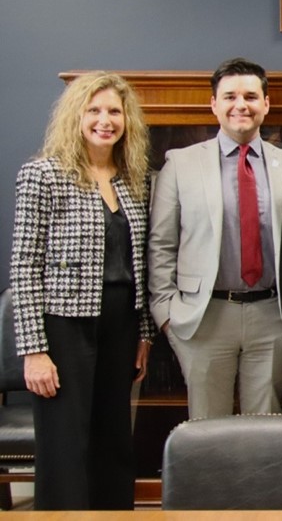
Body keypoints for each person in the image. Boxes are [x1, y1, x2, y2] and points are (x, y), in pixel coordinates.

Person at [10, 73, 155, 509]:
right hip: (64, 325)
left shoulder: (135, 179)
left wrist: (144, 334)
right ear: (76, 116)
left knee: (113, 438)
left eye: (114, 111)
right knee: (65, 443)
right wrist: (34, 350)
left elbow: (140, 264)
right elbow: (24, 265)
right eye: (94, 110)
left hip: (121, 323)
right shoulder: (43, 175)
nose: (105, 120)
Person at [148, 58, 282, 419]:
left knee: (265, 429)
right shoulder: (180, 164)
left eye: (250, 96)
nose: (240, 105)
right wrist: (166, 314)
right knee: (207, 433)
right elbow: (161, 245)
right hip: (203, 318)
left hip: (272, 316)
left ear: (266, 104)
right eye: (229, 96)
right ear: (214, 104)